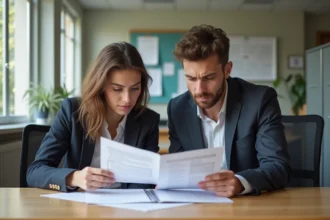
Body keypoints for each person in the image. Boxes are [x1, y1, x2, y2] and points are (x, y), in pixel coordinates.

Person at [168, 24, 291, 197]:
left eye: (208, 77)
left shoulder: (259, 100)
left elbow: (278, 166)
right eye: (191, 78)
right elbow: (178, 166)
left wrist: (241, 182)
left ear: (227, 70)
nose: (199, 89)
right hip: (198, 205)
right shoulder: (177, 108)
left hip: (249, 206)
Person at [27, 42, 160, 192]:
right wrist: (75, 177)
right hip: (79, 206)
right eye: (117, 89)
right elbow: (35, 172)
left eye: (135, 88)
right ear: (101, 85)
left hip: (126, 209)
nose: (127, 99)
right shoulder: (73, 111)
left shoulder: (148, 121)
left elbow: (145, 180)